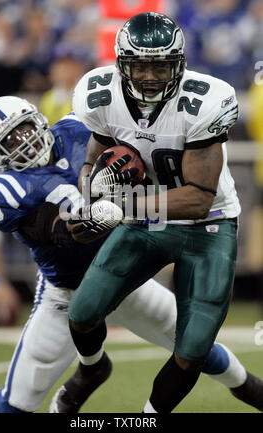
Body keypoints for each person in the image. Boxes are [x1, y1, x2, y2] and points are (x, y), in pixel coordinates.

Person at [0, 95, 263, 413]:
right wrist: (88, 219)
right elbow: (51, 230)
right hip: (66, 294)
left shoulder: (78, 127)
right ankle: (92, 367)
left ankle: (254, 390)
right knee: (15, 404)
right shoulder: (5, 190)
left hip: (123, 277)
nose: (25, 144)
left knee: (197, 347)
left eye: (25, 130)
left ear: (38, 120)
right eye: (10, 142)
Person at [58, 12, 245, 413]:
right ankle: (91, 368)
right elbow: (95, 158)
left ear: (178, 64)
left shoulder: (204, 101)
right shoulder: (100, 94)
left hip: (206, 226)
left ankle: (147, 418)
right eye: (139, 65)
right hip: (147, 219)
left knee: (192, 349)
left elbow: (198, 198)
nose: (148, 76)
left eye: (160, 65)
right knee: (82, 312)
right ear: (122, 64)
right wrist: (90, 195)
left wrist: (118, 207)